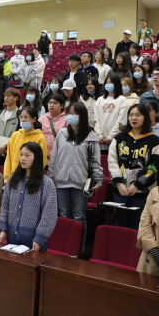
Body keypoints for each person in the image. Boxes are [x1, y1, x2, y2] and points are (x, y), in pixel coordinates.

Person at [48, 102, 102, 248]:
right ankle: (64, 247)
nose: (72, 116)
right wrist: (51, 177)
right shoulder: (62, 133)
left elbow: (95, 161)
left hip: (81, 182)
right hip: (61, 180)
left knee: (79, 216)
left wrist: (98, 180)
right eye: (70, 113)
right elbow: (54, 157)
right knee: (64, 215)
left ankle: (78, 248)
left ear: (82, 116)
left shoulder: (90, 136)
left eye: (75, 113)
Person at [109, 104, 159, 230]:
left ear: (145, 117)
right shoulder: (119, 138)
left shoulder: (155, 140)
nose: (134, 118)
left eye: (138, 115)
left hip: (143, 192)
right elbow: (112, 161)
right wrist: (119, 183)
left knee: (138, 226)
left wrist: (137, 185)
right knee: (120, 225)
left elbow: (155, 167)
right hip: (121, 190)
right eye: (131, 115)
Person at [0, 141, 57, 251]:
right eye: (21, 155)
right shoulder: (13, 179)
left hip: (34, 240)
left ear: (37, 157)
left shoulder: (46, 183)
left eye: (27, 155)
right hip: (12, 237)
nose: (23, 158)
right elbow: (5, 206)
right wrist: (3, 229)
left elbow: (49, 214)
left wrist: (40, 238)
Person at [94, 74, 128, 152]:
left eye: (111, 82)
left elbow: (121, 121)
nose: (108, 84)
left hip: (116, 139)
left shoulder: (122, 100)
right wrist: (99, 135)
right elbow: (96, 119)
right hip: (101, 140)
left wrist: (111, 136)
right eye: (107, 82)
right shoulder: (100, 100)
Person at [0, 88, 21, 160]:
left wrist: (6, 147)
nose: (6, 98)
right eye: (5, 96)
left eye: (9, 96)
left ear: (16, 98)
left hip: (13, 150)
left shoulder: (20, 114)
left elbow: (19, 134)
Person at [39, 93, 67, 158]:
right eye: (50, 102)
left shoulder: (66, 119)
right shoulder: (42, 119)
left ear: (62, 105)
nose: (51, 105)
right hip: (43, 154)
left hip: (60, 154)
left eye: (55, 103)